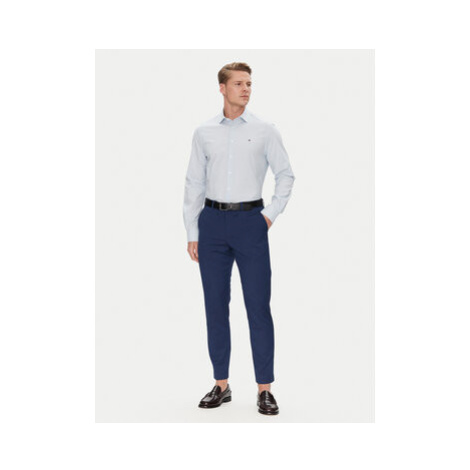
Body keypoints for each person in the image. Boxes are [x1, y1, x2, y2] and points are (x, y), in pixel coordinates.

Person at [183, 62, 295, 415]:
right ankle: (221, 384)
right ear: (222, 88)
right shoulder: (204, 132)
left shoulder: (265, 130)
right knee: (215, 306)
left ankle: (265, 389)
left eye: (249, 84)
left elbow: (286, 175)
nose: (246, 89)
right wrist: (192, 231)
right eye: (238, 84)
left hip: (251, 222)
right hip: (212, 223)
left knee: (258, 306)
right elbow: (194, 182)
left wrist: (269, 215)